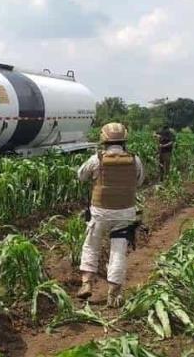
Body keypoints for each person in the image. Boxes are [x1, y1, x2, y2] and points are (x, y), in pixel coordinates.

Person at [76, 122, 145, 307]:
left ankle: (86, 284)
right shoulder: (134, 159)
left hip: (100, 213)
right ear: (124, 140)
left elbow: (81, 176)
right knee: (118, 252)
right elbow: (139, 181)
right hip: (125, 213)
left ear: (103, 139)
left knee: (91, 246)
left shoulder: (97, 159)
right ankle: (113, 293)